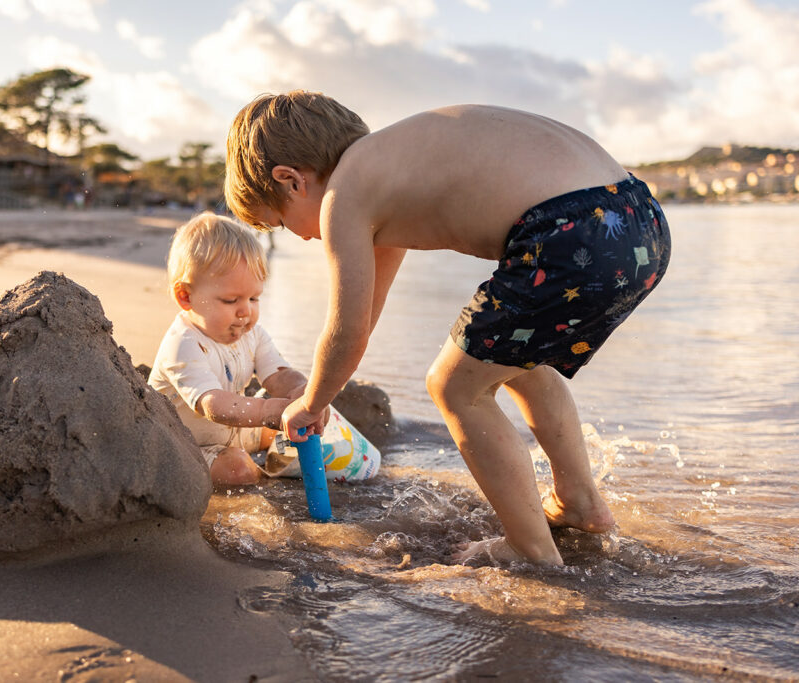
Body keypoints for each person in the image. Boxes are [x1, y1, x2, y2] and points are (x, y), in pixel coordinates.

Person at [223, 91, 671, 566]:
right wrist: (323, 390)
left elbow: (345, 332)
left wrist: (312, 403)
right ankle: (579, 500)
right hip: (637, 219)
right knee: (513, 360)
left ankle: (531, 550)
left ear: (291, 181)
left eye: (283, 223)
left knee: (453, 385)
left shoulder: (344, 195)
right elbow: (365, 316)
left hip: (570, 231)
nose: (305, 236)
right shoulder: (388, 169)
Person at [148, 212, 311, 486]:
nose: (245, 311)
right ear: (185, 296)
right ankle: (268, 478)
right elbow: (213, 405)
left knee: (289, 429)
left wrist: (303, 393)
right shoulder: (183, 344)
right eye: (230, 300)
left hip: (234, 432)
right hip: (186, 446)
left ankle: (272, 458)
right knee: (237, 469)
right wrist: (271, 411)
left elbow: (278, 376)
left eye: (254, 298)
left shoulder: (252, 334)